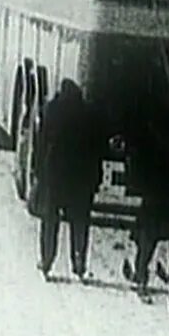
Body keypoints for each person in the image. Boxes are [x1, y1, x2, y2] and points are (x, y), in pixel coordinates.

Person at [34, 79, 103, 282]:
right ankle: (79, 262)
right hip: (82, 179)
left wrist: (39, 173)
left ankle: (47, 260)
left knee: (50, 220)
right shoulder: (89, 114)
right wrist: (95, 179)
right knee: (80, 222)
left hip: (55, 176)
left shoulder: (51, 110)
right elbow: (97, 149)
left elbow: (42, 143)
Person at [122, 117, 169, 296]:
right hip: (167, 198)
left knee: (148, 241)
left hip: (157, 198)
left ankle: (143, 277)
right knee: (167, 242)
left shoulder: (150, 139)